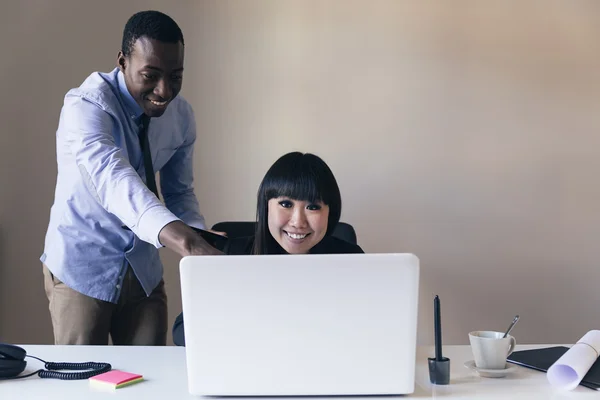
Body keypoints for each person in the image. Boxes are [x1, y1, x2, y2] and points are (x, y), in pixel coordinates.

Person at [40, 10, 221, 346]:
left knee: (150, 380)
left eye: (176, 76)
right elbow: (113, 180)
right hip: (82, 267)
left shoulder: (181, 116)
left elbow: (180, 192)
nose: (164, 90)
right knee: (82, 384)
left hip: (143, 271)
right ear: (123, 61)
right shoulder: (85, 106)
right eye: (150, 75)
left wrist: (201, 238)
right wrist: (185, 240)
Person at [172, 151, 363, 346]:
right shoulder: (231, 255)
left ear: (331, 212)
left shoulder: (353, 259)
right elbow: (182, 330)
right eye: (285, 204)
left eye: (313, 207)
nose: (298, 221)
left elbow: (369, 328)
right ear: (266, 207)